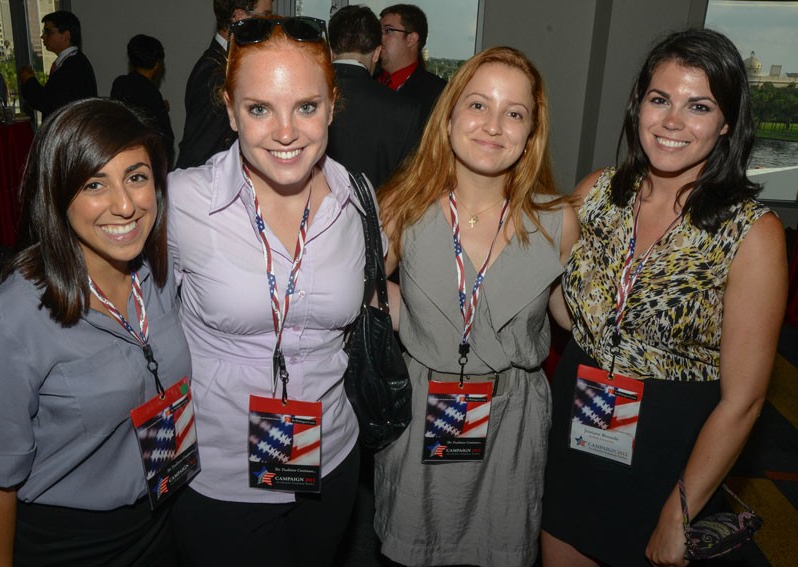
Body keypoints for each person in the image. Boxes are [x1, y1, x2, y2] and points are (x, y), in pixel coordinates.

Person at [541, 28, 787, 567]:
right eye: (660, 99)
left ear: (726, 123)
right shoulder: (595, 194)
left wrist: (679, 511)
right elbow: (570, 314)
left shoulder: (750, 233)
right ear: (638, 106)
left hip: (668, 456)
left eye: (698, 106)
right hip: (575, 428)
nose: (672, 121)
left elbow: (743, 399)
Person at [167, 15, 375, 566]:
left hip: (331, 459)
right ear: (231, 112)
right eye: (259, 109)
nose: (286, 132)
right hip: (222, 475)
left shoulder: (359, 200)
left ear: (333, 105)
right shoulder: (181, 203)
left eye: (306, 107)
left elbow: (377, 299)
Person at [0, 99, 191, 565]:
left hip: (164, 512)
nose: (126, 205)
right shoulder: (2, 327)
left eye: (137, 177)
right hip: (73, 544)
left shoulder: (160, 278)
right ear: (57, 194)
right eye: (94, 183)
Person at [374, 46, 579, 567]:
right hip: (423, 411)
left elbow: (572, 318)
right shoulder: (402, 206)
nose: (493, 125)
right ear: (449, 116)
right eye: (478, 105)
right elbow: (360, 288)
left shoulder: (557, 222)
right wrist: (412, 318)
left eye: (514, 113)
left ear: (531, 133)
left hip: (513, 423)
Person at [327, 4, 423, 189]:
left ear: (331, 50)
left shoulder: (306, 97)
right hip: (377, 216)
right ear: (377, 53)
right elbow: (409, 186)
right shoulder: (405, 111)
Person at [176, 0, 273, 169]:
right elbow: (200, 148)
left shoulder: (230, 64)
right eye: (265, 16)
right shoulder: (215, 71)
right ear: (239, 17)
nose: (269, 25)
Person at [18, 10, 97, 122]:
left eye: (48, 32)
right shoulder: (71, 61)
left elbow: (51, 104)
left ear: (66, 35)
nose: (42, 36)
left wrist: (29, 80)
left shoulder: (74, 66)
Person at [111, 34, 176, 169]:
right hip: (146, 164)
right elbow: (166, 140)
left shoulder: (120, 84)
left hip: (121, 158)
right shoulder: (152, 94)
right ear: (157, 64)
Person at [376, 3, 446, 124]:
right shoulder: (368, 82)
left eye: (388, 30)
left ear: (411, 39)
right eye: (378, 31)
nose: (378, 37)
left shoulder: (438, 94)